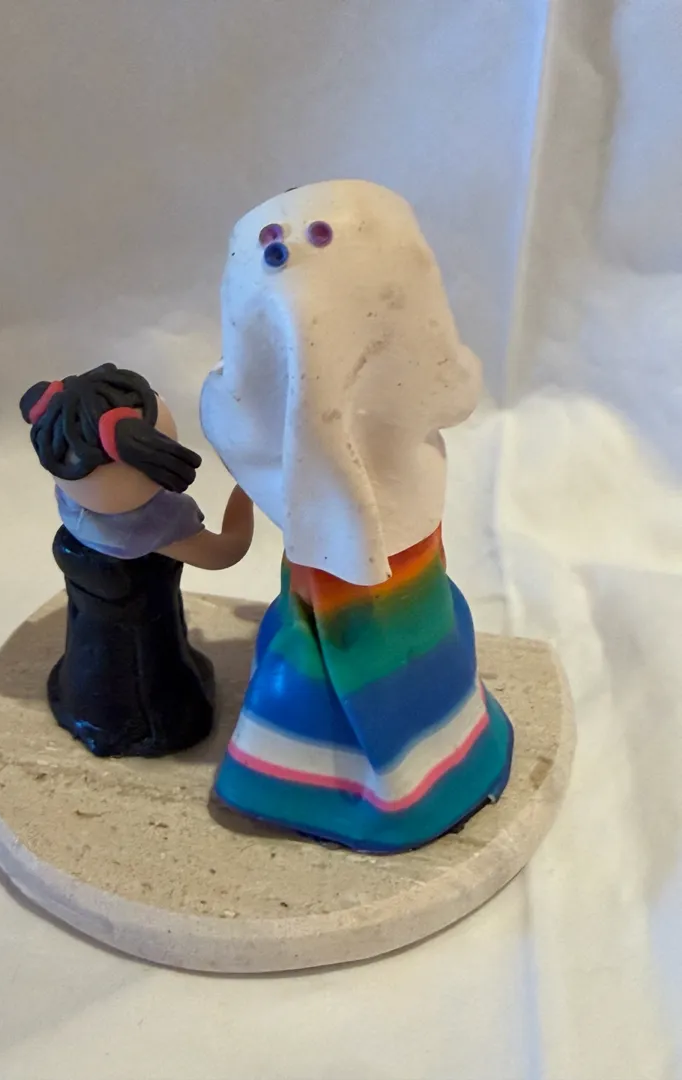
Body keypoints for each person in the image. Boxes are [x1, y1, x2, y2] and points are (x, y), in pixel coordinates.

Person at [200, 180, 514, 852]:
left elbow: (238, 406)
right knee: (378, 640)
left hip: (369, 529)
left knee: (362, 644)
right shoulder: (385, 271)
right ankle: (414, 760)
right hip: (385, 525)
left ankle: (395, 775)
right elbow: (452, 384)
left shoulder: (279, 288)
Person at [20, 362, 253, 757]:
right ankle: (141, 728)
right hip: (144, 654)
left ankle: (89, 706)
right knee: (150, 693)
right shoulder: (145, 530)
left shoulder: (76, 504)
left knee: (96, 665)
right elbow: (226, 551)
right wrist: (247, 491)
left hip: (89, 638)